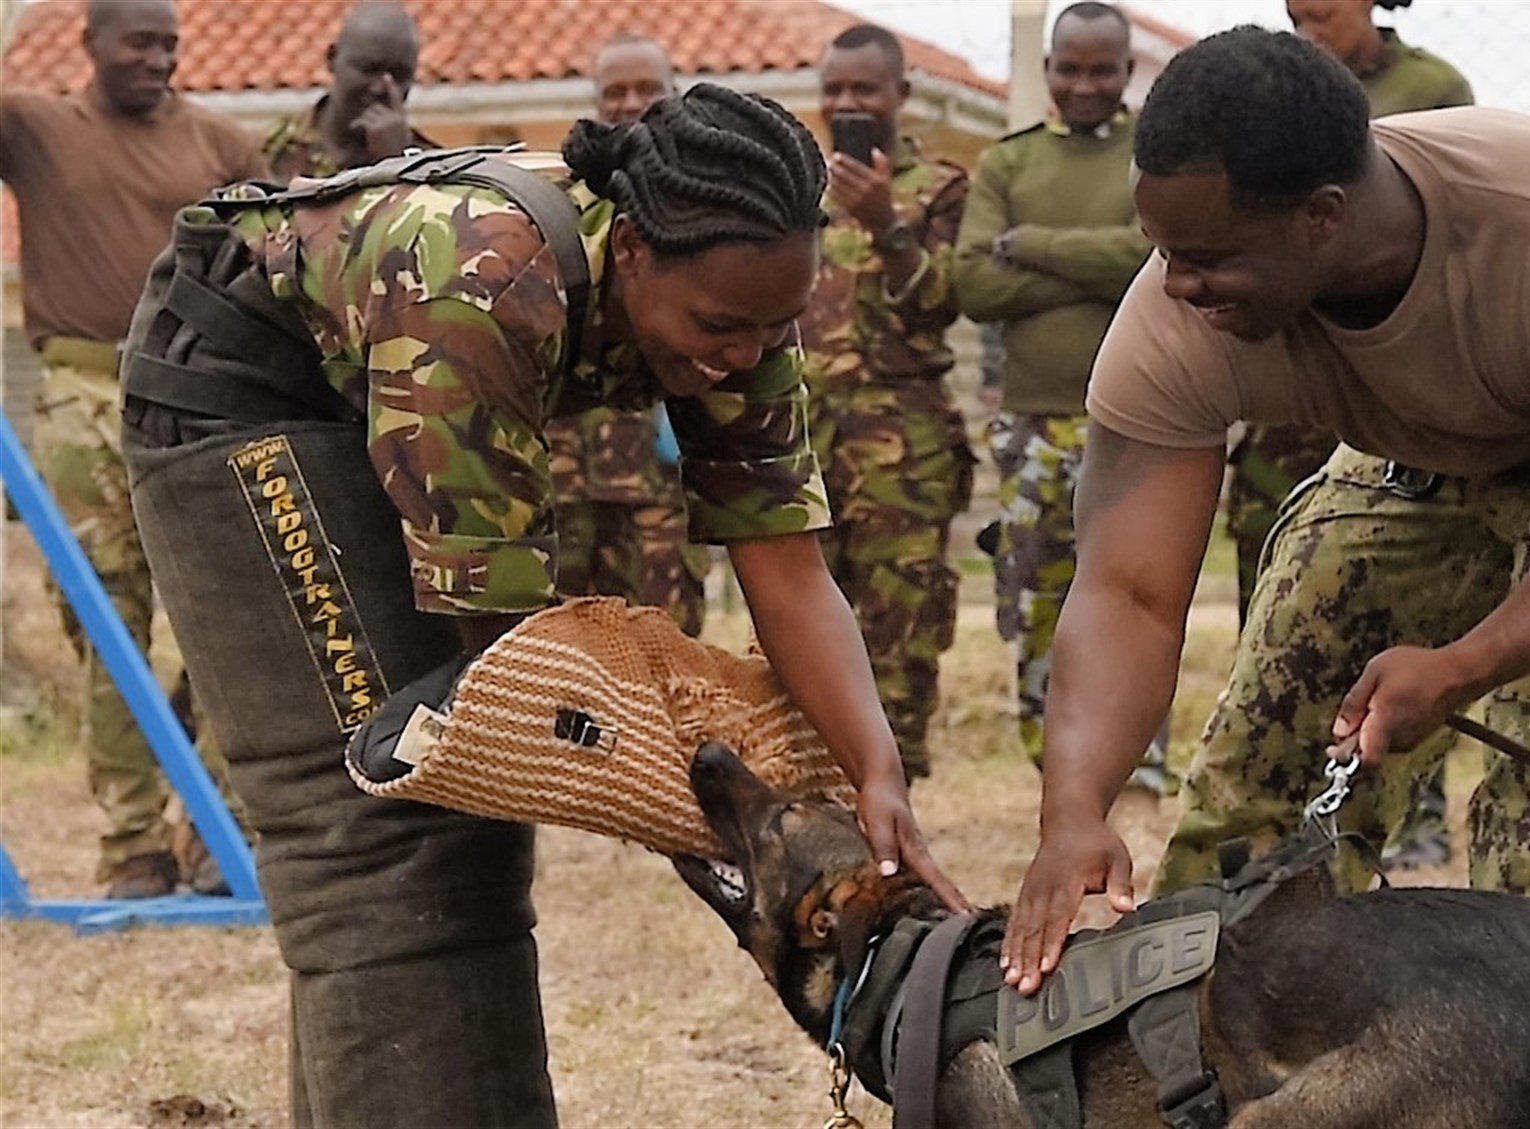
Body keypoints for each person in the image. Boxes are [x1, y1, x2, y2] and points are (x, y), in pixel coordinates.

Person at [119, 86, 960, 1125]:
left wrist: (876, 769)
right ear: (638, 253)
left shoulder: (738, 298)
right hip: (244, 392)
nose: (738, 356)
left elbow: (786, 566)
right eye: (717, 327)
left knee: (455, 812)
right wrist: (711, 807)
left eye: (770, 328)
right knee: (388, 825)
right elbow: (519, 666)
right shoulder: (481, 287)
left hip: (372, 387)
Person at [998, 30, 1530, 1054]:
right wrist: (1073, 807)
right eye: (1163, 251)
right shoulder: (1179, 316)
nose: (1174, 287)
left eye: (1204, 259)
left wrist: (1465, 664)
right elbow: (1125, 590)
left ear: (1320, 218)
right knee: (1273, 735)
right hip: (1437, 433)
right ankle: (1220, 1068)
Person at [0, 0, 263, 898]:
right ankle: (132, 847)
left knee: (225, 619)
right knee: (108, 625)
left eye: (171, 45)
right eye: (140, 43)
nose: (160, 59)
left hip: (196, 395)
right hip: (81, 397)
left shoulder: (221, 145)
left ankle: (219, 834)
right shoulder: (37, 128)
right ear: (89, 45)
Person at [1239, 0, 1475, 870]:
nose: (1310, 33)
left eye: (1324, 15)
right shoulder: (1266, 92)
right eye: (1294, 17)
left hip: (1394, 385)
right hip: (1291, 384)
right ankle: (1293, 815)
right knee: (1283, 604)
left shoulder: (1432, 90)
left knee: (1410, 609)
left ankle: (1413, 809)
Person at [953, 1, 1167, 791]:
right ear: (1046, 71)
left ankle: (1141, 757)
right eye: (1069, 69)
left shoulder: (1155, 153)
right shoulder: (1009, 164)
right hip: (1033, 423)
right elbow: (974, 281)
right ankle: (1055, 759)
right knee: (1040, 586)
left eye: (1101, 69)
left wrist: (1035, 247)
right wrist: (1104, 273)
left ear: (1125, 71)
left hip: (1144, 418)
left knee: (1143, 586)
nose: (1084, 84)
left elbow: (1161, 258)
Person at [800, 24, 974, 780]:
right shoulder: (800, 188)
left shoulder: (942, 188)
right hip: (806, 439)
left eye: (863, 89)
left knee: (899, 621)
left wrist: (886, 224)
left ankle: (899, 786)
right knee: (807, 622)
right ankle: (819, 775)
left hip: (903, 444)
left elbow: (945, 301)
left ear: (900, 94)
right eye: (834, 89)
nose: (846, 103)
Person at [542, 32, 709, 635]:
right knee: (562, 644)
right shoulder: (558, 202)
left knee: (668, 640)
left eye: (647, 89)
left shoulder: (705, 207)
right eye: (614, 91)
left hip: (661, 476)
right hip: (562, 471)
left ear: (675, 96)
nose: (630, 102)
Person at [262, 1, 431, 180]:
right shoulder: (271, 152)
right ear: (332, 59)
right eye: (368, 69)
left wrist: (398, 164)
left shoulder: (432, 171)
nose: (380, 88)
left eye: (400, 75)